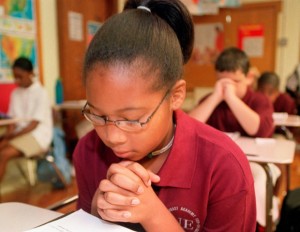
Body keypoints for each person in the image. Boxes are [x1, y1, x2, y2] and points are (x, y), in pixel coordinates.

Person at [73, 1, 256, 231]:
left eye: (131, 119)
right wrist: (96, 216)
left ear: (176, 96)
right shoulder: (88, 151)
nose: (112, 137)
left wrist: (154, 216)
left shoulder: (224, 166)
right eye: (98, 116)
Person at [189, 47, 279, 231]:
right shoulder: (210, 100)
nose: (227, 86)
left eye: (235, 81)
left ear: (249, 78)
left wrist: (231, 98)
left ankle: (257, 225)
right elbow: (188, 128)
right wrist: (215, 97)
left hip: (254, 162)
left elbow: (259, 129)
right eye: (222, 81)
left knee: (258, 181)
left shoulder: (259, 101)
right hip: (217, 164)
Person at [0, 57, 53, 182]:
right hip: (20, 134)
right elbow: (12, 122)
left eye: (20, 76)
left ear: (30, 73)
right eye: (15, 77)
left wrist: (10, 137)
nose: (17, 81)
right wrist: (8, 134)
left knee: (3, 154)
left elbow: (33, 125)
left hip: (37, 136)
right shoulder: (15, 93)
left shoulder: (40, 92)